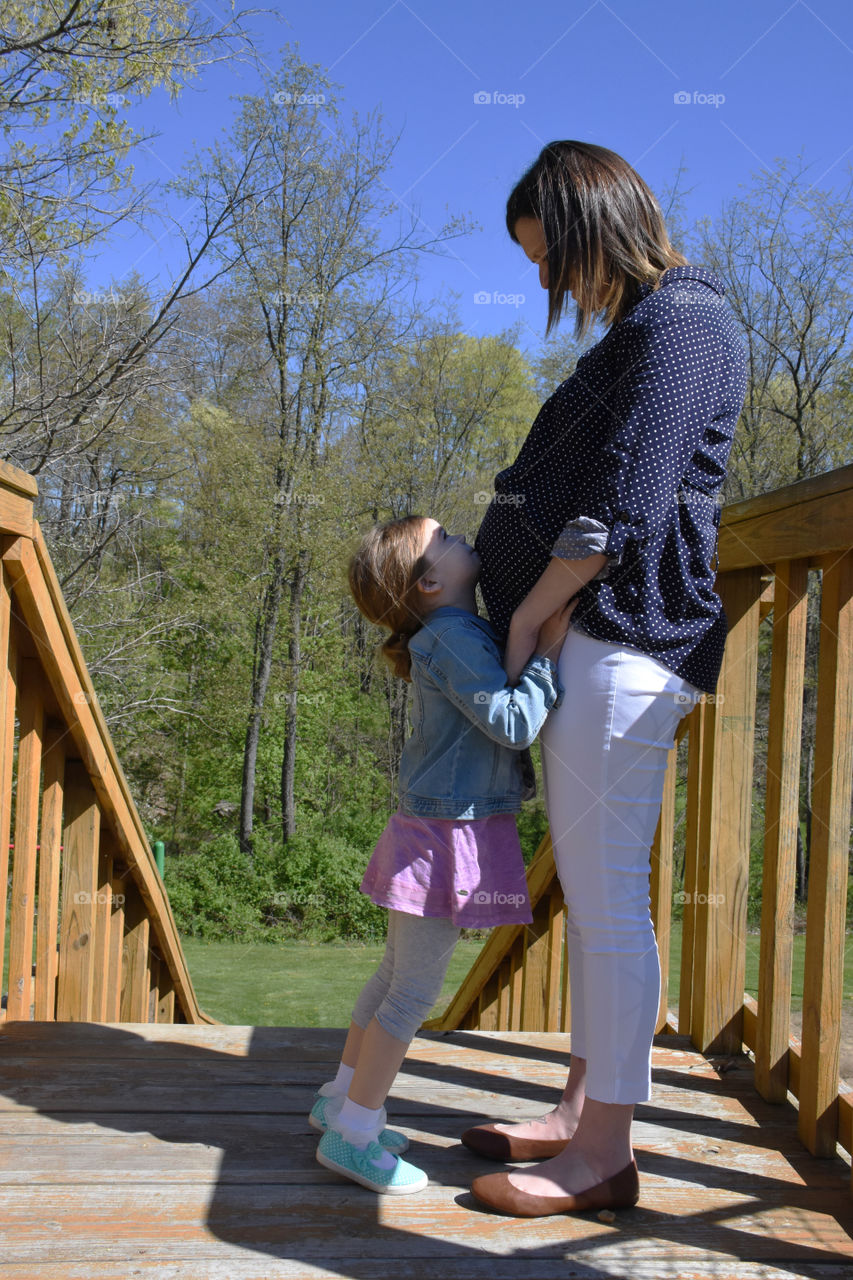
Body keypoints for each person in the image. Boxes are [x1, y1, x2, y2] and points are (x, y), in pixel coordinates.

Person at [463, 140, 748, 1217]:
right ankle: (579, 1110)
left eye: (549, 258)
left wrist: (533, 611)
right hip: (601, 637)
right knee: (591, 901)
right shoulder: (654, 324)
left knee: (608, 906)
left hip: (625, 635)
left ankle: (602, 1156)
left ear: (594, 229)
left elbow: (627, 503)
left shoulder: (684, 322)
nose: (545, 282)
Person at [311, 513, 572, 1194]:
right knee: (412, 994)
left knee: (393, 976)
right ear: (429, 581)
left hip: (427, 827)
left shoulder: (446, 634)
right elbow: (512, 724)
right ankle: (355, 1135)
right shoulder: (453, 637)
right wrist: (546, 656)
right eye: (445, 540)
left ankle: (340, 1098)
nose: (461, 539)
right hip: (448, 834)